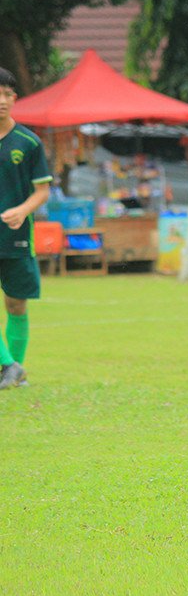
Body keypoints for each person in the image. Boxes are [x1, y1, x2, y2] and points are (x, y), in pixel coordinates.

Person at [0, 67, 53, 390]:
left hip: (16, 238)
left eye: (6, 95)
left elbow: (43, 191)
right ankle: (9, 366)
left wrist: (21, 211)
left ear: (14, 99)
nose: (1, 101)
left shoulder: (28, 142)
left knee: (16, 305)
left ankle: (11, 373)